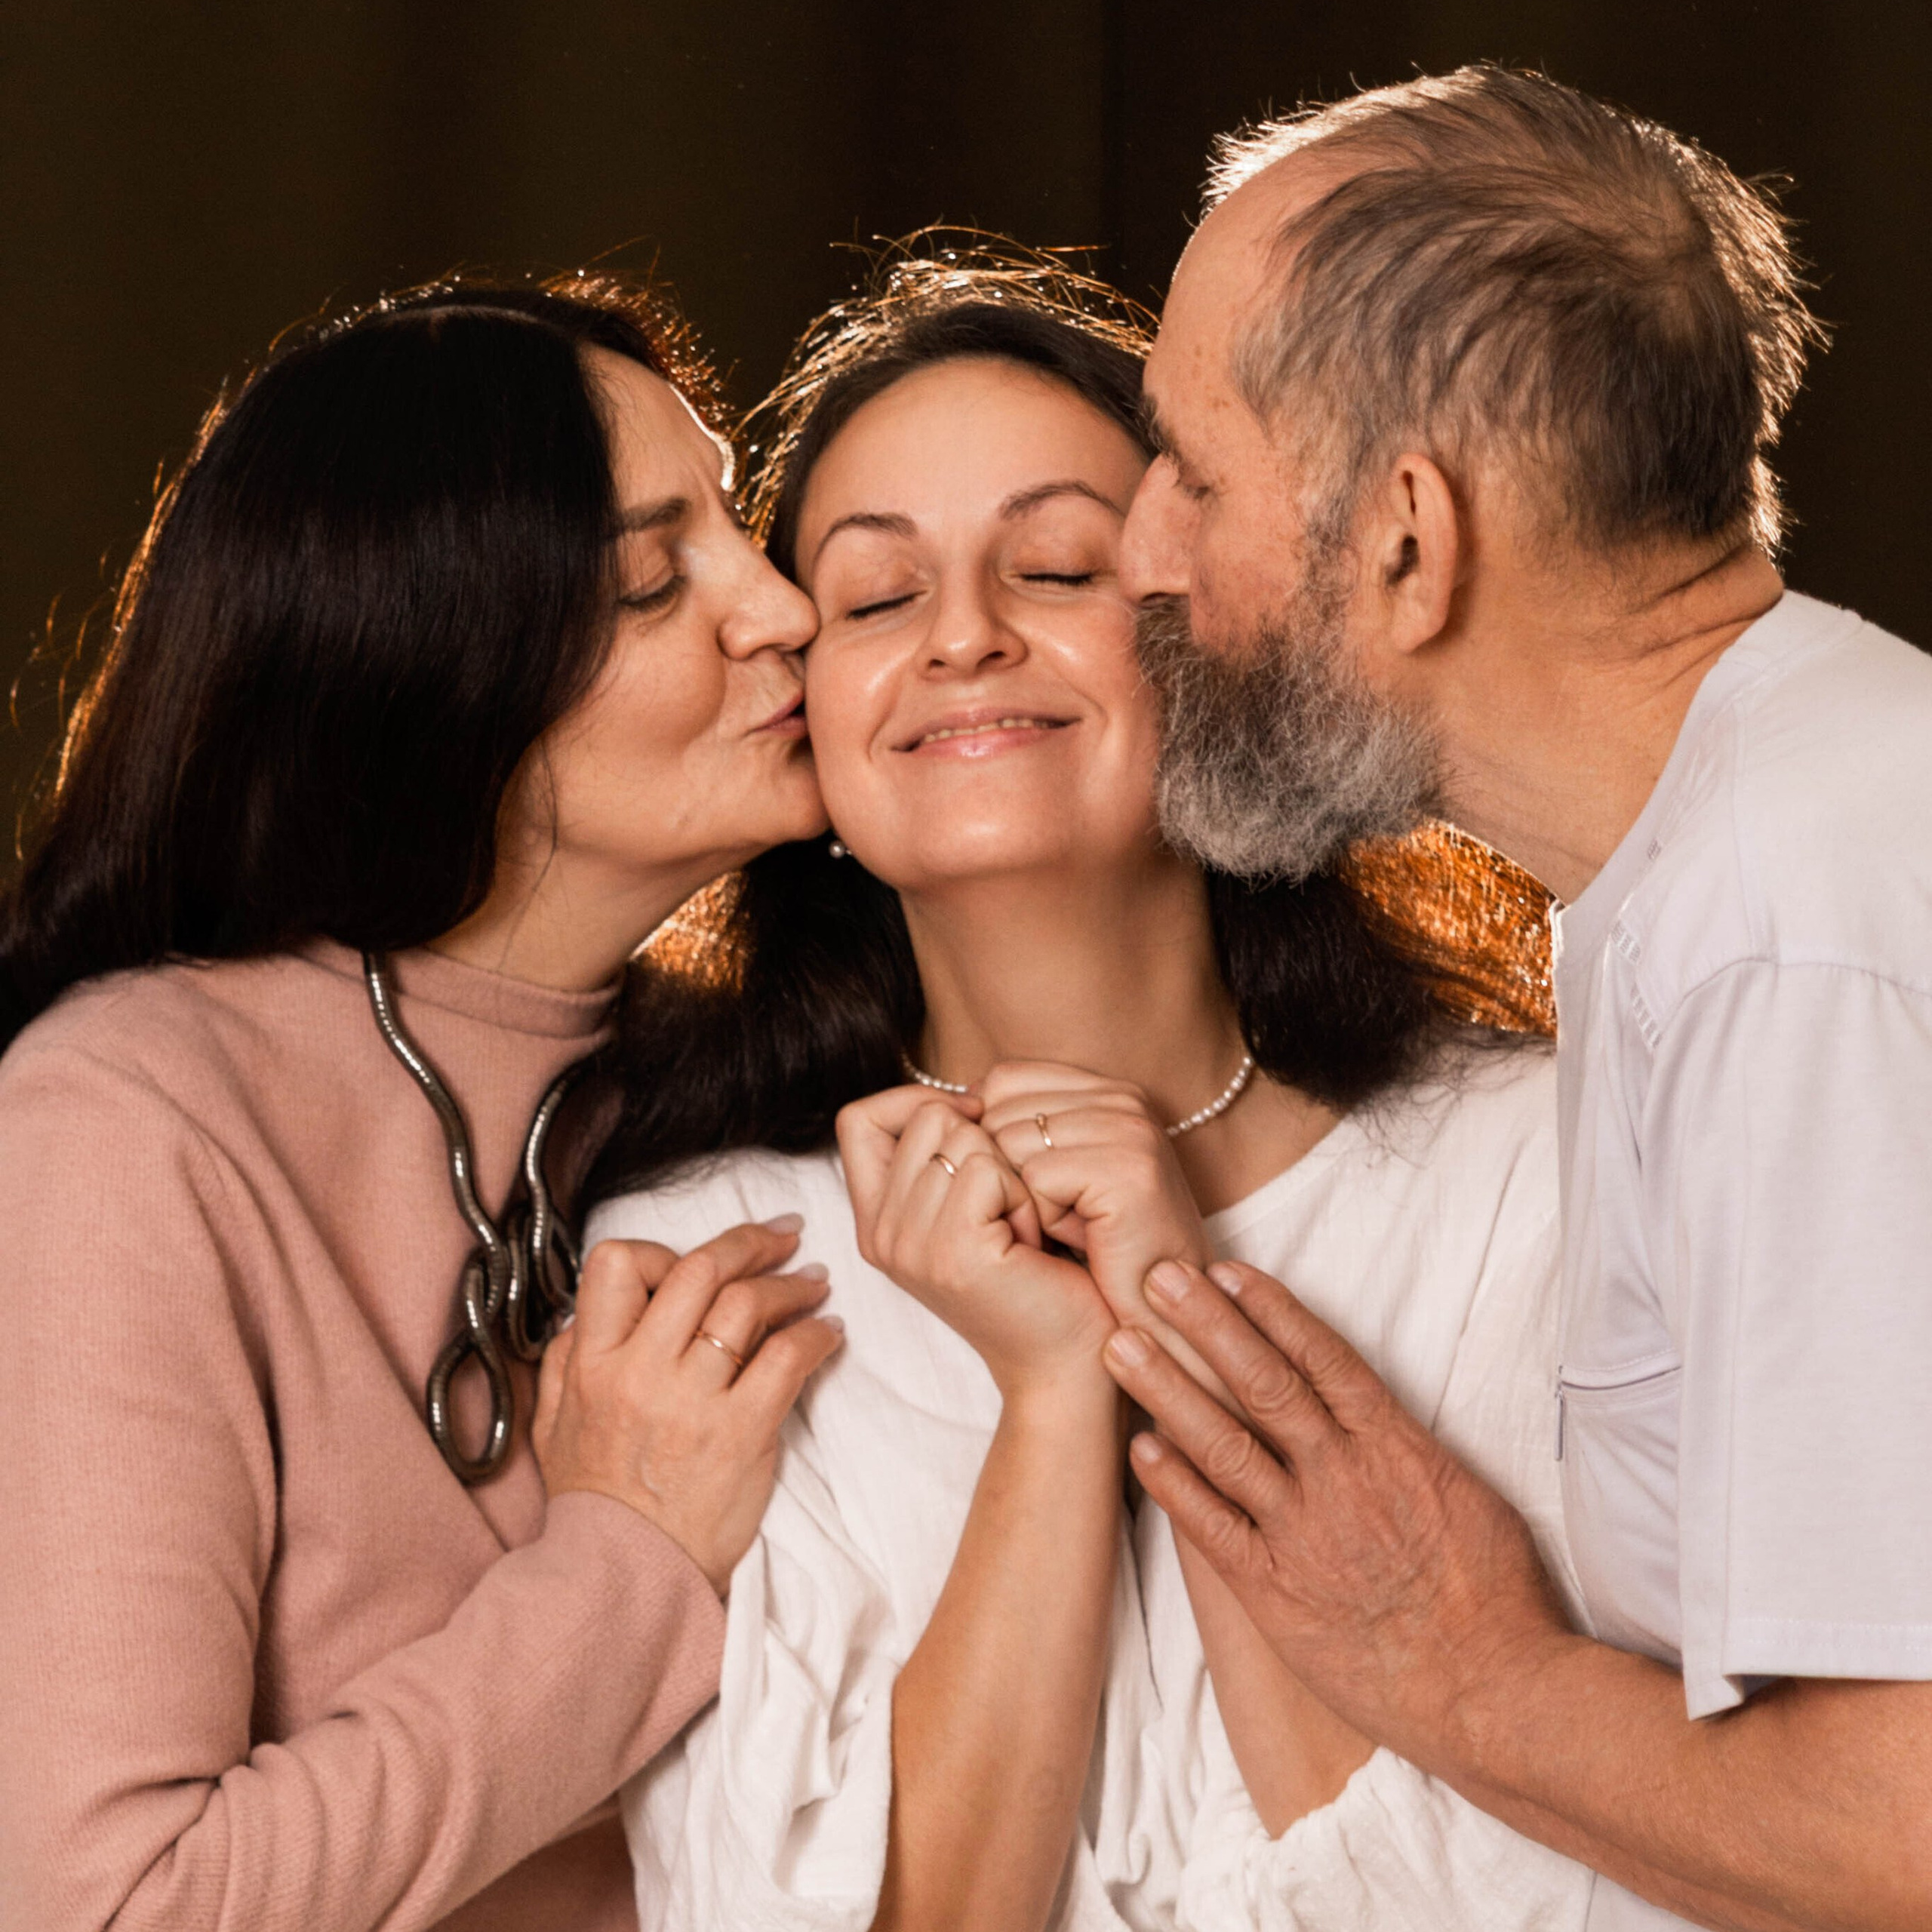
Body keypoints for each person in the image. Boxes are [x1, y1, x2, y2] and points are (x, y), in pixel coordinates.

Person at [586, 248, 1592, 1932]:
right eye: (875, 596)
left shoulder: (1532, 1174)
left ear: (1223, 645)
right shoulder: (706, 1274)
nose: (964, 637)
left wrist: (1167, 1295)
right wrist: (1055, 1392)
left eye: (1055, 566)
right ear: (803, 713)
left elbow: (1514, 1897)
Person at [1104, 63, 1932, 1932]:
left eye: (1197, 472)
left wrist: (1446, 1659)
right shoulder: (1734, 852)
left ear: (1404, 535)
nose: (1144, 549)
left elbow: (1908, 1834)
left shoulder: (1788, 923)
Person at [0, 277, 845, 1932]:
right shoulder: (122, 1123)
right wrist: (627, 1562)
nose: (781, 607)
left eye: (740, 528)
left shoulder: (770, 1094)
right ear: (431, 659)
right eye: (653, 579)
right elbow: (111, 1904)